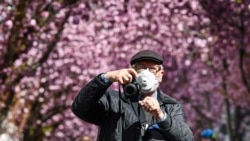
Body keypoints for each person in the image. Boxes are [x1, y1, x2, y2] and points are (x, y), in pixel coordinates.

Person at [71, 50, 194, 141]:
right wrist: (106, 77)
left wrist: (161, 116)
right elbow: (80, 108)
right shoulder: (112, 101)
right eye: (142, 68)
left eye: (153, 69)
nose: (147, 73)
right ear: (133, 72)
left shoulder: (171, 106)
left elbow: (186, 138)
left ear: (161, 74)